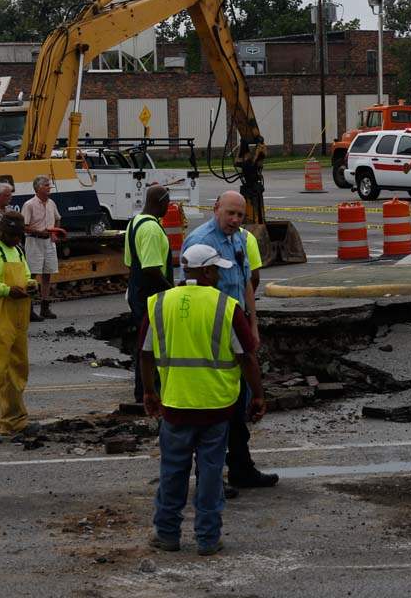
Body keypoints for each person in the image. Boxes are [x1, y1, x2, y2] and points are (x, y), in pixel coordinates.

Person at [141, 243, 265, 556]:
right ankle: (208, 539)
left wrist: (149, 391)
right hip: (215, 407)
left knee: (173, 471)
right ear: (207, 272)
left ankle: (168, 534)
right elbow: (247, 357)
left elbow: (144, 353)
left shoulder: (159, 303)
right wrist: (258, 395)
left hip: (176, 405)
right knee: (210, 473)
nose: (221, 276)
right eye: (218, 270)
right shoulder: (225, 305)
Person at [181, 191, 276, 492]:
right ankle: (210, 477)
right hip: (213, 333)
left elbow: (245, 280)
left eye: (240, 216)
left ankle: (241, 468)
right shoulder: (200, 242)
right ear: (216, 209)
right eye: (230, 214)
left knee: (236, 407)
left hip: (235, 325)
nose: (235, 220)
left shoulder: (237, 239)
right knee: (214, 412)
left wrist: (252, 323)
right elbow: (190, 291)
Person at [124, 185, 174, 404]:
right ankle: (147, 391)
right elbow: (151, 268)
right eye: (167, 203)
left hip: (137, 291)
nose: (168, 207)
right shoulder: (152, 229)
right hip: (151, 295)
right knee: (152, 346)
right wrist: (172, 289)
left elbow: (129, 261)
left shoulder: (135, 222)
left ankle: (142, 390)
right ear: (160, 202)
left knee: (144, 342)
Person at [0, 212, 39, 439]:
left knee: (17, 369)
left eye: (19, 235)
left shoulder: (19, 250)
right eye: (12, 235)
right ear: (2, 231)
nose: (16, 239)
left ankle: (14, 421)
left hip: (17, 319)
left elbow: (25, 275)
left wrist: (30, 284)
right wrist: (6, 290)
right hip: (1, 315)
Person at [22, 175, 61, 321]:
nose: (49, 187)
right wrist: (41, 232)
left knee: (47, 274)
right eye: (46, 185)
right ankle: (29, 309)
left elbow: (58, 218)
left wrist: (55, 233)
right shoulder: (29, 204)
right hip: (34, 242)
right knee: (32, 275)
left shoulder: (51, 203)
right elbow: (24, 227)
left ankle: (45, 308)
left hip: (48, 243)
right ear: (38, 188)